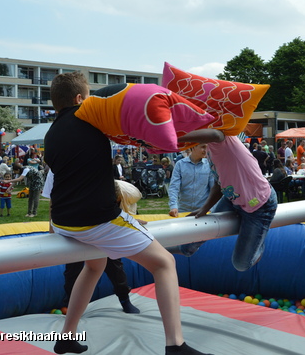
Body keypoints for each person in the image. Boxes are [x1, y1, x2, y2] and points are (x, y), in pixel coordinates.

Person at [44, 72, 209, 355]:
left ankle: (66, 336)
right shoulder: (90, 119)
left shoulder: (52, 133)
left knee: (94, 266)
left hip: (63, 221)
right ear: (81, 100)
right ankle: (175, 345)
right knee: (164, 263)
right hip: (97, 220)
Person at [173, 129, 278, 273]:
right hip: (232, 198)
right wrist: (205, 208)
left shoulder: (225, 138)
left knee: (241, 264)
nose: (202, 148)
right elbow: (219, 182)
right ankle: (164, 250)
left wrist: (174, 135)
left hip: (259, 204)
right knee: (188, 246)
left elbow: (216, 134)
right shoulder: (210, 151)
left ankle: (258, 245)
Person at [42, 170, 142, 315]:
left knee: (114, 264)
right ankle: (70, 304)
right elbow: (53, 199)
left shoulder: (92, 159)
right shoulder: (56, 168)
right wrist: (52, 227)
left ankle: (124, 298)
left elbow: (110, 195)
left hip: (98, 220)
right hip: (73, 223)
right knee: (73, 268)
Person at [168, 144, 214, 218]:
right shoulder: (180, 165)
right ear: (193, 147)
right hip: (183, 211)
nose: (206, 150)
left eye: (207, 147)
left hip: (203, 211)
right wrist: (174, 207)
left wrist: (211, 208)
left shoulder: (209, 165)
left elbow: (213, 189)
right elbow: (174, 188)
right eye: (203, 147)